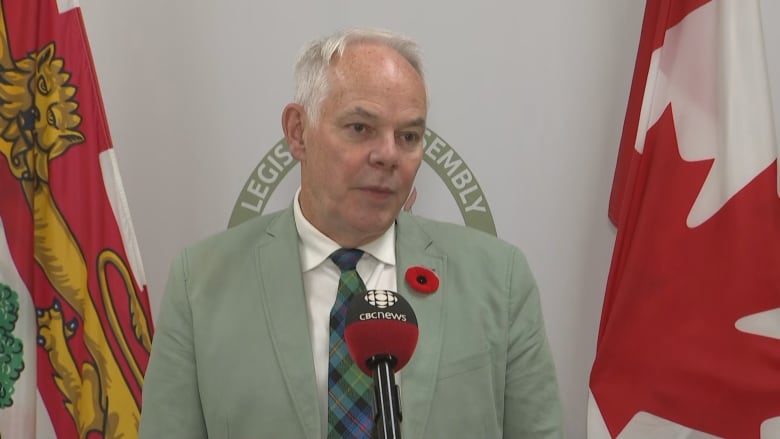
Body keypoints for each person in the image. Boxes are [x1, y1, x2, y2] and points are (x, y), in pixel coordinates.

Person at [138, 27, 564, 439]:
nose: (387, 155)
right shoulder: (202, 283)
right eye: (360, 128)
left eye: (409, 136)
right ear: (297, 132)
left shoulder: (499, 279)